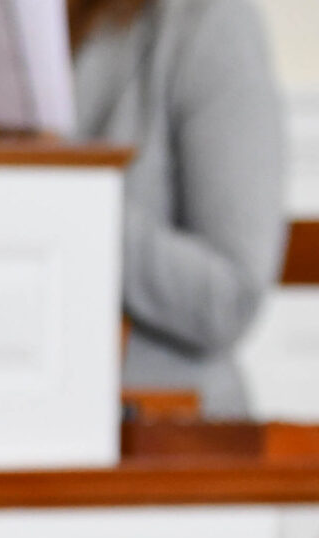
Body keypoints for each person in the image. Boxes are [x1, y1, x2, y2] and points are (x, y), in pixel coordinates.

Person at [72, 0, 288, 417]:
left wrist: (74, 205)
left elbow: (231, 295)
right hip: (13, 405)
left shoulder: (208, 22)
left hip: (165, 427)